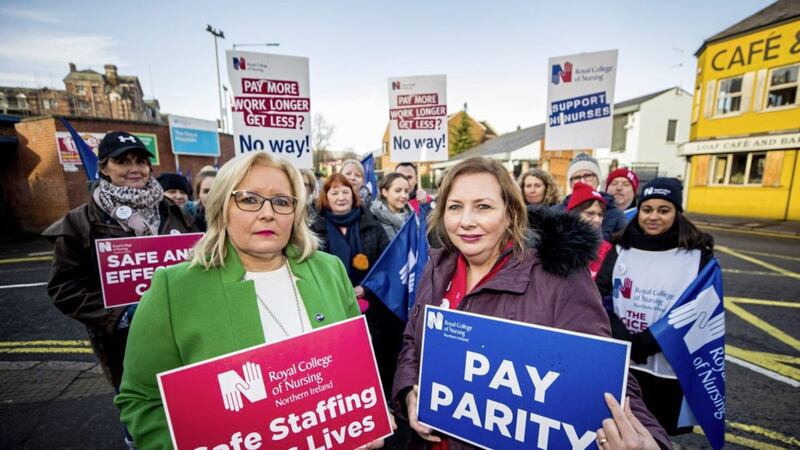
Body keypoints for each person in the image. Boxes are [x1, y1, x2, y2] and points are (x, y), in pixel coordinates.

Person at [115, 151, 390, 449]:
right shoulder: (173, 289)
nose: (267, 213)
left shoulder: (330, 269)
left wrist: (367, 417)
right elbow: (142, 401)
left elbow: (354, 367)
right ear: (222, 207)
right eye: (249, 199)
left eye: (282, 201)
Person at [393, 157, 670, 450]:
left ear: (511, 213)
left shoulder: (558, 277)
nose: (466, 221)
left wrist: (646, 440)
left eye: (483, 206)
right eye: (455, 207)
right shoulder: (437, 267)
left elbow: (602, 375)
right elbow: (413, 340)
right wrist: (411, 391)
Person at [595, 178, 715, 436]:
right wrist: (625, 338)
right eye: (647, 209)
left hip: (671, 365)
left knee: (662, 433)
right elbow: (600, 295)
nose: (653, 217)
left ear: (677, 212)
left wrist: (648, 341)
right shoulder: (621, 247)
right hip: (626, 358)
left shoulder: (697, 254)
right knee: (624, 427)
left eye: (664, 210)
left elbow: (697, 307)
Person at [311, 175, 401, 389]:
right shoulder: (315, 228)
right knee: (343, 358)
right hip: (334, 305)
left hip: (372, 308)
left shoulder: (372, 224)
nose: (340, 197)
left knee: (377, 355)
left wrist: (366, 288)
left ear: (353, 196)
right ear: (326, 197)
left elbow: (389, 262)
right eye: (334, 193)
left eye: (345, 192)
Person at [553, 153, 626, 240]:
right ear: (570, 183)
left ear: (598, 180)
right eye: (576, 178)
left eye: (588, 176)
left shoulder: (615, 214)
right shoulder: (554, 213)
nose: (583, 181)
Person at [567, 182, 612, 280]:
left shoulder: (607, 250)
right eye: (590, 214)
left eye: (600, 215)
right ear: (573, 214)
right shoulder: (556, 247)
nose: (597, 220)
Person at [370, 172, 413, 240]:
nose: (404, 195)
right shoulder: (371, 218)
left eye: (406, 191)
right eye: (398, 190)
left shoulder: (413, 217)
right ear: (384, 192)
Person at [186, 166, 217, 231]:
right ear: (198, 194)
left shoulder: (234, 219)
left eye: (216, 190)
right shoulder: (190, 222)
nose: (211, 195)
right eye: (206, 191)